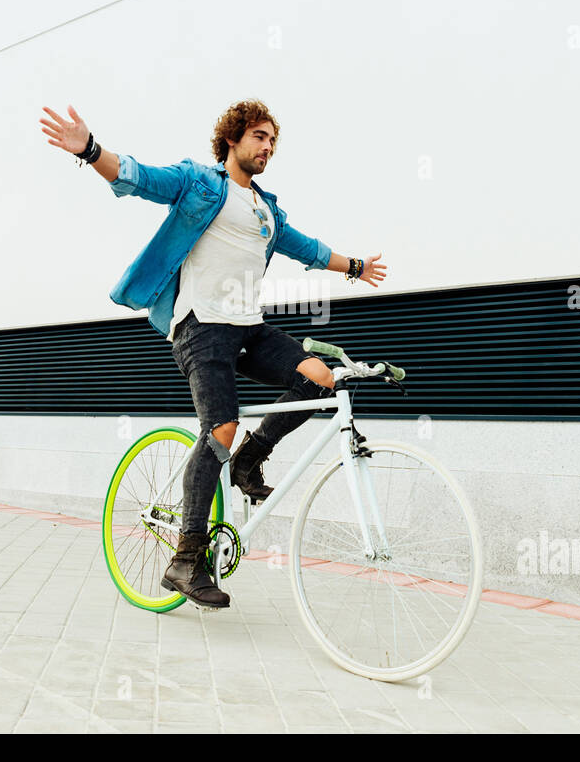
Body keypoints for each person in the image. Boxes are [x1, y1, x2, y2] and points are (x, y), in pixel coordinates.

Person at [39, 99, 386, 608]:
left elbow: (307, 248)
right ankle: (186, 559)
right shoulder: (200, 184)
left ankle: (249, 460)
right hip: (201, 327)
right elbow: (140, 178)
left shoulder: (267, 210)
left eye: (272, 140)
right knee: (219, 428)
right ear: (233, 139)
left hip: (249, 327)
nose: (267, 147)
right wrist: (90, 150)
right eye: (259, 137)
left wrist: (355, 266)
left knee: (320, 376)